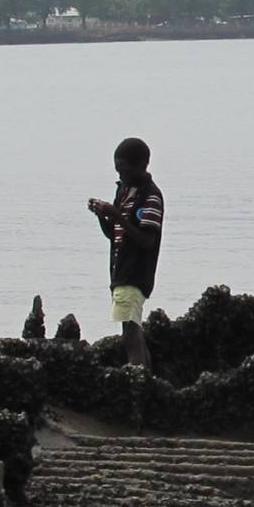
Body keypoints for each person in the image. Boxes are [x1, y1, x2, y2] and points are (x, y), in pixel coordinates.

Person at [87, 136, 165, 368]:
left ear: (142, 166)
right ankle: (147, 379)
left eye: (124, 170)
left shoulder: (150, 196)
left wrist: (117, 215)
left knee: (130, 336)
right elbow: (115, 234)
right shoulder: (124, 192)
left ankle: (136, 379)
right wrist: (104, 215)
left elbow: (146, 240)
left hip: (136, 273)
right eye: (118, 170)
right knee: (134, 331)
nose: (121, 175)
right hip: (121, 272)